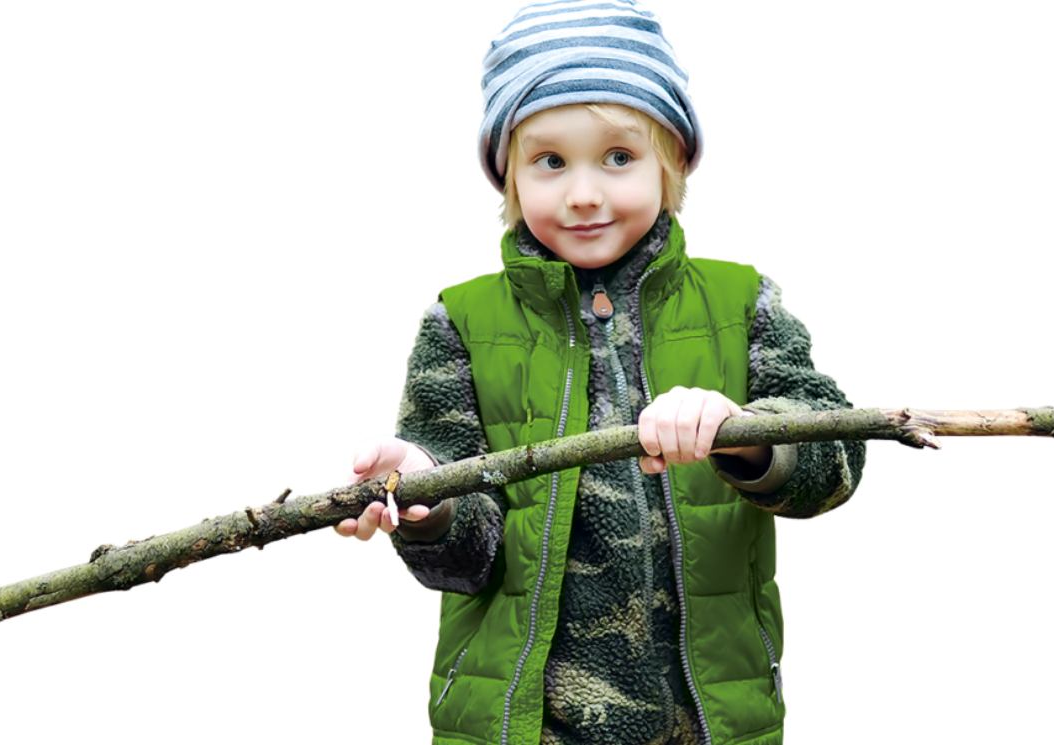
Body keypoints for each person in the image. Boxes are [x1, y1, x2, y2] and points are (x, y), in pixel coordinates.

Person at [333, 2, 867, 742]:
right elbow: (458, 563)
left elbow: (837, 464)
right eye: (550, 161)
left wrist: (743, 435)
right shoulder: (458, 322)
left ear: (673, 161)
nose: (584, 192)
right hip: (523, 723)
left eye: (619, 156)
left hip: (711, 717)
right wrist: (424, 493)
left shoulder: (743, 302)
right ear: (509, 177)